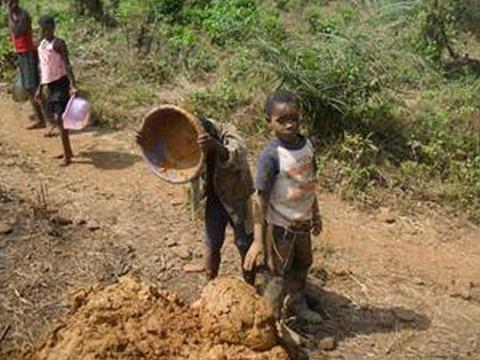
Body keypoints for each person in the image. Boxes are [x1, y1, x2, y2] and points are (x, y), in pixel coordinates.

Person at [243, 90, 323, 323]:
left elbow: (310, 183)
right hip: (280, 226)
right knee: (275, 272)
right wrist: (258, 241)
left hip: (303, 221)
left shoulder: (307, 145)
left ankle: (296, 302)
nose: (290, 124)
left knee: (303, 262)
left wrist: (316, 214)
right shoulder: (271, 155)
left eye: (294, 118)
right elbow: (260, 200)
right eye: (282, 120)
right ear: (269, 121)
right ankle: (271, 318)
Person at [196, 115, 256, 285]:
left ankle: (250, 284)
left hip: (238, 196)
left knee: (244, 243)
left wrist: (215, 147)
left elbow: (236, 153)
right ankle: (209, 284)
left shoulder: (228, 132)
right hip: (215, 197)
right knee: (212, 242)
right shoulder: (190, 135)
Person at [34, 15, 77, 167]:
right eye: (43, 28)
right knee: (57, 119)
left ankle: (67, 155)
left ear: (53, 27)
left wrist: (73, 85)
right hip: (49, 85)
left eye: (49, 28)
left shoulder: (58, 43)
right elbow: (42, 68)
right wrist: (40, 87)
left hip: (60, 83)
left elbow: (67, 64)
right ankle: (68, 151)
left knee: (60, 119)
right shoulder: (41, 45)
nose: (46, 31)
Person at [5, 0, 45, 129]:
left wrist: (10, 15)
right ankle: (41, 118)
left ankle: (46, 119)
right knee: (29, 88)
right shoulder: (13, 16)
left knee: (32, 86)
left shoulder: (23, 15)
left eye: (10, 1)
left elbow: (17, 31)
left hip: (28, 53)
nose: (8, 3)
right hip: (21, 53)